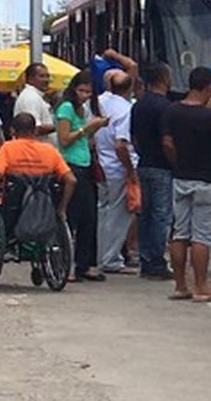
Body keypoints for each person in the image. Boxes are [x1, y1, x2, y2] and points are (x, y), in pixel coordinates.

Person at [163, 66, 211, 303]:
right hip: (207, 179)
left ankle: (180, 285)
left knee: (180, 233)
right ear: (209, 87)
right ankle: (201, 286)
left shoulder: (172, 111)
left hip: (181, 177)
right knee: (201, 237)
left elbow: (167, 143)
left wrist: (177, 163)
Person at [55, 70, 109, 281]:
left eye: (88, 91)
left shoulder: (82, 109)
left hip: (85, 161)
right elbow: (64, 139)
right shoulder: (66, 108)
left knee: (90, 216)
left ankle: (86, 262)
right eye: (81, 91)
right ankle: (69, 263)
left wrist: (94, 129)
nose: (85, 95)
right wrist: (87, 129)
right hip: (71, 163)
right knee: (75, 215)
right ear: (73, 89)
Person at [0, 113, 78, 241]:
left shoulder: (7, 149)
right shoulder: (50, 150)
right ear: (35, 130)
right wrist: (62, 208)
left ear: (12, 131)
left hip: (14, 205)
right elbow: (71, 180)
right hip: (46, 203)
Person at [130, 62, 174, 280]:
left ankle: (146, 258)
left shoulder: (139, 105)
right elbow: (167, 141)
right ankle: (156, 261)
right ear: (164, 79)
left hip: (144, 162)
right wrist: (174, 161)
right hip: (161, 166)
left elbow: (134, 138)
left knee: (146, 214)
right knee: (160, 215)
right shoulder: (164, 106)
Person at [95, 72, 140, 274]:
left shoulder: (97, 102)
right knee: (118, 215)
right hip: (117, 168)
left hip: (99, 165)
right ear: (129, 88)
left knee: (103, 212)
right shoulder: (126, 110)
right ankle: (111, 258)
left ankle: (100, 254)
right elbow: (121, 144)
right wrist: (130, 171)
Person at [13, 63, 56, 142]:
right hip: (34, 150)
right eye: (41, 76)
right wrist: (59, 127)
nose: (46, 80)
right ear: (30, 79)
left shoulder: (35, 96)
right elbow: (35, 128)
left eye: (47, 76)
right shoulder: (30, 97)